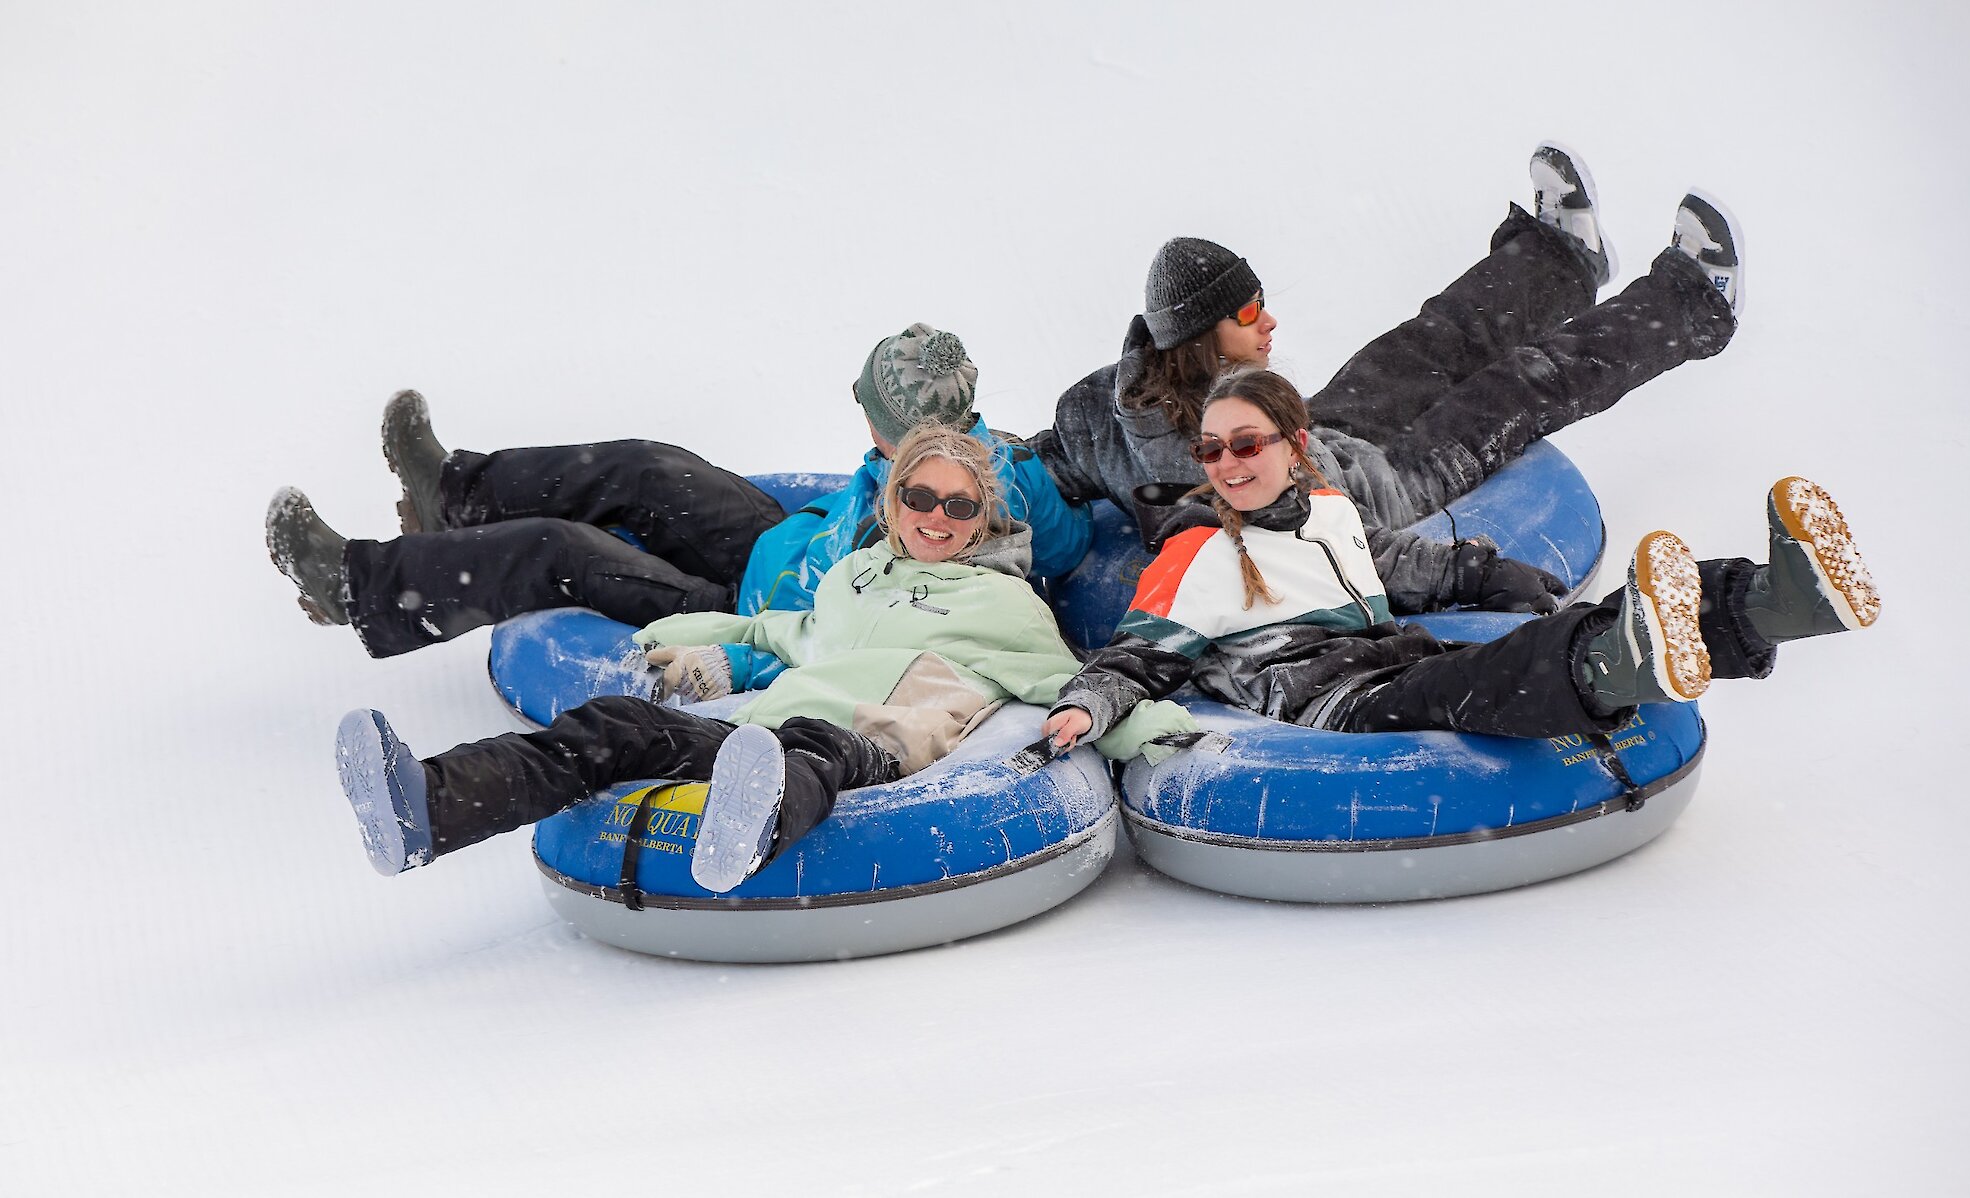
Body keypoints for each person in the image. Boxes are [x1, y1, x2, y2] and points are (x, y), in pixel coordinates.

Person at [336, 424, 1194, 893]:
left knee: (806, 751)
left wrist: (1164, 734)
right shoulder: (855, 577)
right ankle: (429, 806)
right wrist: (691, 641)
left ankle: (746, 838)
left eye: (959, 504)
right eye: (920, 496)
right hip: (759, 725)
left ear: (983, 518)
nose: (938, 515)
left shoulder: (1005, 604)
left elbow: (1068, 682)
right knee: (616, 725)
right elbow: (787, 636)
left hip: (876, 739)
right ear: (893, 503)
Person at [1039, 370, 1879, 755]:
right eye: (1211, 447)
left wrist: (1485, 574)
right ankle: (1628, 656)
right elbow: (1137, 654)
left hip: (1400, 662)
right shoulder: (1200, 550)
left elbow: (1404, 565)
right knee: (1501, 675)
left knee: (1536, 640)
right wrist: (1085, 705)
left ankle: (1776, 601)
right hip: (1338, 708)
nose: (1225, 462)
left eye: (1246, 443)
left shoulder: (1331, 512)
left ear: (1296, 446)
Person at [267, 324, 1091, 692]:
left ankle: (355, 586)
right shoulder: (962, 455)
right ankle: (449, 493)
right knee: (648, 469)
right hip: (784, 544)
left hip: (747, 613)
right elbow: (1063, 529)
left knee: (561, 552)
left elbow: (857, 643)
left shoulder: (946, 505)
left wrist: (1016, 500)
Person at [1029, 143, 1744, 548]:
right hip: (1387, 490)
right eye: (1249, 313)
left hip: (1323, 432)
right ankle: (1696, 301)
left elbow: (1038, 464)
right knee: (1528, 383)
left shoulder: (1102, 405)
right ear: (1194, 337)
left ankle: (1559, 258)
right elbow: (1332, 547)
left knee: (1427, 342)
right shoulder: (1226, 482)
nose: (1268, 324)